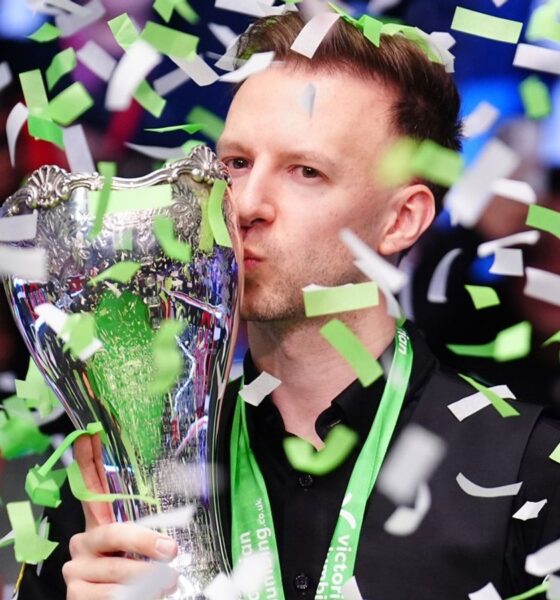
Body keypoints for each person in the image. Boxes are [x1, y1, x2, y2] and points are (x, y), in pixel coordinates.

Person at [15, 11, 560, 600]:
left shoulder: (526, 470)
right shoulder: (124, 476)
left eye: (306, 171)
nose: (246, 204)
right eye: (236, 164)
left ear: (402, 219)